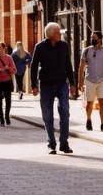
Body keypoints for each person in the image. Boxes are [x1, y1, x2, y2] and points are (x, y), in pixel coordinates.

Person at [31, 22, 76, 154]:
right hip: (46, 85)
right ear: (51, 35)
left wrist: (72, 84)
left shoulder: (64, 46)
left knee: (65, 111)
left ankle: (64, 143)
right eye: (58, 32)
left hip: (62, 83)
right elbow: (34, 66)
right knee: (48, 116)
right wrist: (33, 85)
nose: (60, 34)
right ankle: (51, 143)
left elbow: (68, 64)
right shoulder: (39, 47)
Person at [78, 30, 103, 132]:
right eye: (91, 37)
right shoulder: (86, 51)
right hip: (89, 80)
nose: (92, 39)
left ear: (100, 39)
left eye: (94, 37)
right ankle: (88, 120)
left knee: (102, 103)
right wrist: (79, 82)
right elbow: (81, 68)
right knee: (89, 103)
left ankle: (102, 124)